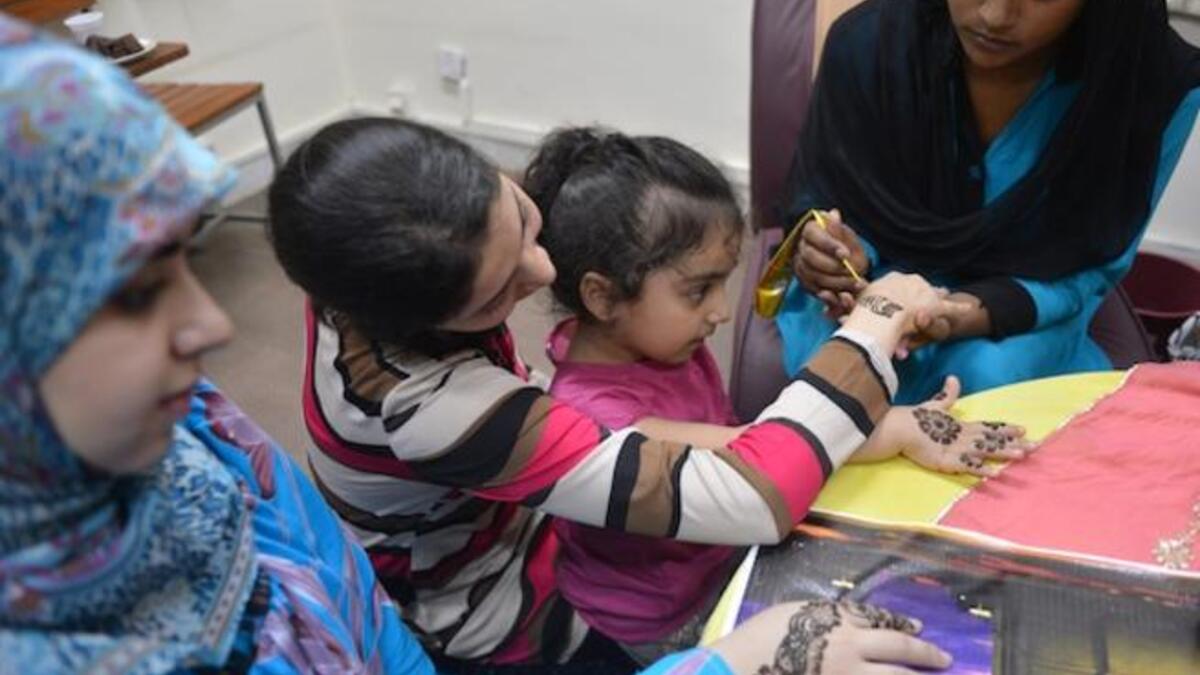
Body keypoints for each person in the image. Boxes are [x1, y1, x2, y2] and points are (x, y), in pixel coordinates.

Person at [266, 116, 966, 669]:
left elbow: (661, 443)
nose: (544, 271)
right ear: (420, 319)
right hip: (503, 611)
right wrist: (873, 328)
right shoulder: (431, 407)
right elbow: (753, 496)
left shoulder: (352, 255)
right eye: (498, 294)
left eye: (522, 220)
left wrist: (880, 424)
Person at [0, 17, 433, 673]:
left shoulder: (180, 423)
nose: (214, 325)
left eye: (182, 261)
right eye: (137, 293)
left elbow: (333, 572)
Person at [526, 127, 1029, 662]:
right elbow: (752, 451)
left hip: (722, 555)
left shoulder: (662, 343)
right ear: (602, 296)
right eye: (698, 291)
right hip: (663, 620)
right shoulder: (594, 418)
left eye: (723, 284)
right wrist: (897, 426)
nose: (720, 312)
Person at [778, 0, 1200, 403]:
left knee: (985, 380)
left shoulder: (1149, 88)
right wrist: (840, 254)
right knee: (849, 377)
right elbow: (829, 201)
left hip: (1029, 296)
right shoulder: (867, 44)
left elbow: (1092, 262)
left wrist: (968, 313)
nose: (995, 16)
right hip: (877, 283)